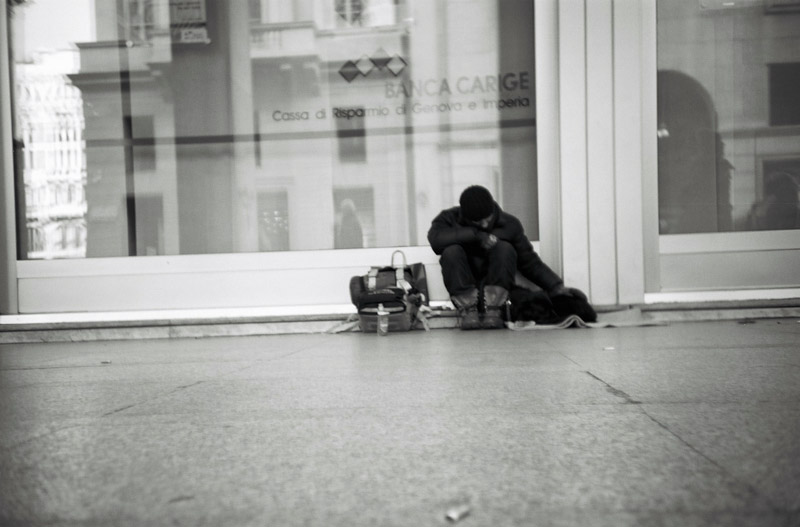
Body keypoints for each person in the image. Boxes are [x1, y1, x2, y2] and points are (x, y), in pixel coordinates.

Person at [427, 185, 589, 329]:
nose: (484, 224)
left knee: (504, 247)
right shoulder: (448, 219)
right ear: (465, 216)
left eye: (487, 219)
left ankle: (494, 311)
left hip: (497, 289)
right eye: (478, 222)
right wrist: (476, 235)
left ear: (492, 209)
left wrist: (555, 286)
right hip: (465, 287)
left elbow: (529, 261)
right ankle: (468, 312)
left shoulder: (509, 224)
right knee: (451, 251)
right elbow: (436, 241)